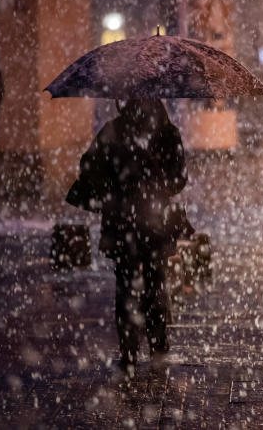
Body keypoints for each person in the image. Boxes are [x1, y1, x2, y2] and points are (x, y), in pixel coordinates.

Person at [72, 99, 187, 378]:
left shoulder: (113, 131)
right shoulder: (166, 132)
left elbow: (88, 167)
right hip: (155, 220)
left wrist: (116, 186)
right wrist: (157, 181)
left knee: (125, 284)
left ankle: (129, 350)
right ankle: (158, 345)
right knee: (156, 281)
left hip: (121, 222)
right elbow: (180, 179)